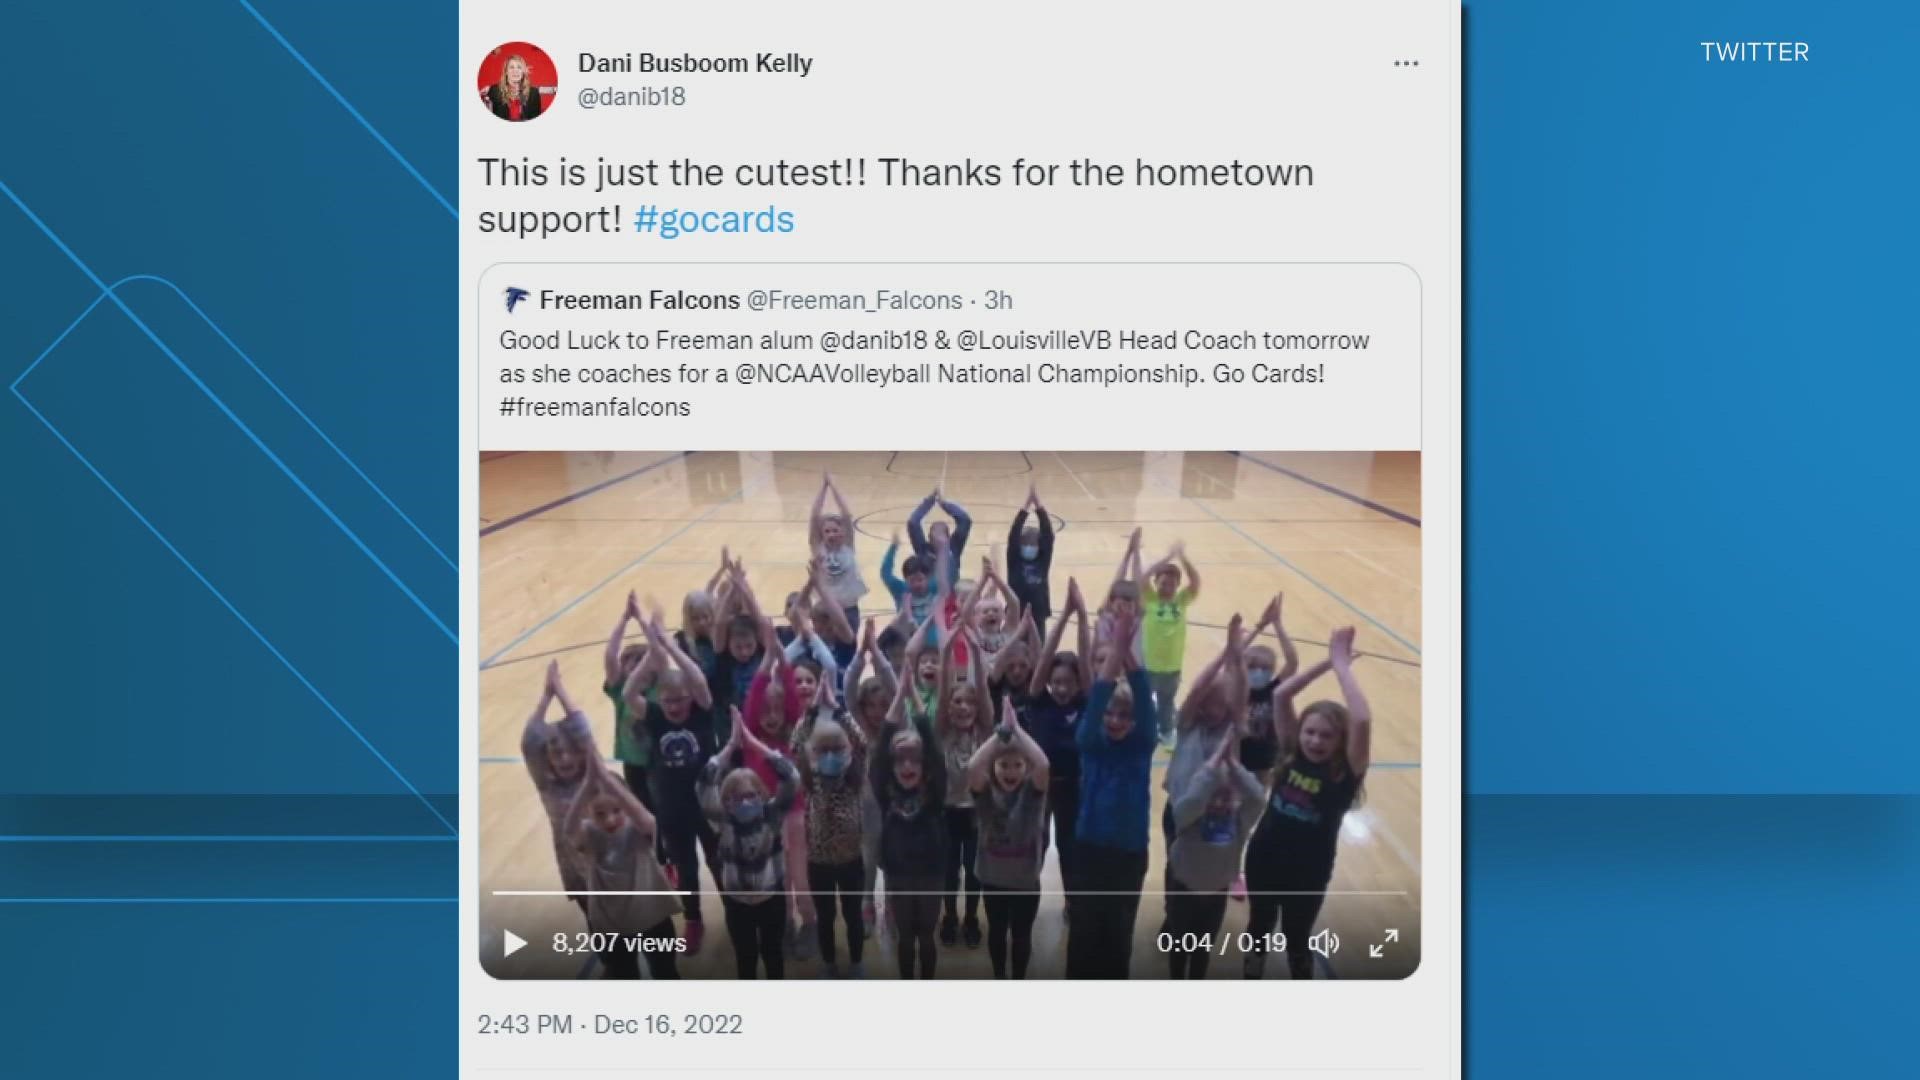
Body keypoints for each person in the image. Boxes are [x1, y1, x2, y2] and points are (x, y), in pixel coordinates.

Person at [1243, 627, 1371, 980]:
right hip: (1264, 856)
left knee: (1296, 938)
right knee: (1258, 928)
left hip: (1308, 871)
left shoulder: (1344, 774)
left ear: (1340, 742)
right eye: (1310, 731)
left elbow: (1361, 719)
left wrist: (1343, 667)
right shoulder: (1288, 753)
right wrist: (1327, 663)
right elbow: (1282, 694)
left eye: (1326, 735)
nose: (1315, 740)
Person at [1066, 609, 1157, 979]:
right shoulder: (1090, 742)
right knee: (1084, 933)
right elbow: (1099, 694)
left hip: (1128, 853)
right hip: (1089, 849)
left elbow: (1142, 696)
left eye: (1125, 716)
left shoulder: (1142, 746)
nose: (1116, 721)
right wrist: (1117, 649)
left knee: (1119, 936)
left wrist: (1126, 651)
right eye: (1111, 715)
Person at [626, 612, 719, 956]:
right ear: (659, 702)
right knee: (686, 869)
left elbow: (696, 679)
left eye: (680, 699)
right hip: (672, 808)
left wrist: (670, 648)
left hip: (709, 805)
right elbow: (629, 691)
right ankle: (693, 920)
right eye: (668, 701)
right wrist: (653, 652)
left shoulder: (702, 711)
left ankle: (734, 908)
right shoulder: (653, 716)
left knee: (719, 861)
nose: (676, 706)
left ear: (690, 699)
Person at [698, 707, 802, 979]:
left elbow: (791, 777)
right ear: (725, 802)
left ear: (762, 794)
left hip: (772, 901)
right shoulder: (723, 820)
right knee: (745, 959)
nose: (744, 802)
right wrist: (731, 746)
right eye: (735, 798)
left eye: (751, 795)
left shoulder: (771, 815)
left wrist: (757, 745)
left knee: (773, 954)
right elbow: (703, 785)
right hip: (738, 905)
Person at [563, 755, 682, 979]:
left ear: (627, 804)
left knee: (665, 972)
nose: (609, 820)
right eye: (600, 814)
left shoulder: (638, 828)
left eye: (617, 810)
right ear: (588, 813)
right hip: (612, 924)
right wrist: (588, 785)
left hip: (653, 915)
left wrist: (610, 784)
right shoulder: (588, 833)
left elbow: (648, 821)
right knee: (624, 975)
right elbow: (568, 829)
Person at [871, 673, 948, 978]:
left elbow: (932, 747)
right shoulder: (886, 792)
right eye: (900, 761)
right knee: (905, 936)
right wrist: (898, 698)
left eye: (914, 761)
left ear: (924, 766)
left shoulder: (934, 793)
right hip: (899, 874)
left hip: (931, 874)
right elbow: (878, 756)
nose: (907, 767)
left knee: (927, 935)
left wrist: (913, 698)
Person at [968, 697, 1050, 979]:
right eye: (1004, 765)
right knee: (997, 933)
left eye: (1017, 765)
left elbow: (1043, 764)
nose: (1011, 771)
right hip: (993, 882)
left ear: (1025, 769)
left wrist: (1018, 731)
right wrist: (1000, 734)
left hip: (1026, 883)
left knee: (1021, 936)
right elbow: (973, 767)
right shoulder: (986, 795)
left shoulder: (1032, 796)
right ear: (995, 768)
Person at [794, 679, 869, 978]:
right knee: (825, 917)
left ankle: (856, 962)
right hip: (819, 863)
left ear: (847, 751)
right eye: (822, 750)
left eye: (837, 749)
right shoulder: (810, 778)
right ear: (813, 754)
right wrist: (811, 713)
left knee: (853, 916)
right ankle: (828, 963)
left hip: (852, 861)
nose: (830, 756)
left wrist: (839, 711)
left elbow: (861, 742)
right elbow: (796, 743)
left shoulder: (853, 776)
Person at [1024, 579, 1092, 910]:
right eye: (1057, 681)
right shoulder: (1041, 702)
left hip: (1073, 790)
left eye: (1069, 682)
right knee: (1036, 843)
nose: (1062, 688)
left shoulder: (1086, 705)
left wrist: (1081, 618)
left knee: (1070, 847)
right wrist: (1063, 615)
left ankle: (1072, 902)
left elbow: (1089, 665)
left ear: (1079, 683)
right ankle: (1026, 894)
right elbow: (1044, 660)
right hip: (1040, 788)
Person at [520, 660, 597, 921]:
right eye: (556, 754)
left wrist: (561, 691)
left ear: (581, 753)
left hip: (608, 861)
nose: (564, 759)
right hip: (574, 864)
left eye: (570, 752)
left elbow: (582, 729)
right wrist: (545, 696)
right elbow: (530, 740)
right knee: (596, 924)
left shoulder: (593, 775)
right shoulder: (548, 785)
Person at [933, 618, 991, 948]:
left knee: (974, 871)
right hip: (947, 811)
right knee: (948, 870)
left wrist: (975, 649)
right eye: (958, 701)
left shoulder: (984, 731)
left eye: (969, 702)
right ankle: (950, 915)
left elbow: (981, 688)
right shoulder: (943, 731)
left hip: (975, 812)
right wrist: (946, 651)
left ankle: (971, 916)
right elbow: (943, 689)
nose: (964, 706)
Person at [1142, 543, 1203, 744]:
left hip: (1172, 666)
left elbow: (1195, 581)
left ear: (1177, 585)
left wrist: (1183, 558)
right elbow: (1142, 578)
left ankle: (1166, 731)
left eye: (1171, 583)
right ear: (1156, 582)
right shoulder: (1150, 599)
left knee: (1167, 703)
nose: (1167, 587)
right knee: (1142, 702)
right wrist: (1166, 558)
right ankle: (1143, 731)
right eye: (1163, 582)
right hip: (1149, 665)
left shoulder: (1181, 601)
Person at [809, 472, 869, 630]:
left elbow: (847, 515)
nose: (831, 534)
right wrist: (823, 488)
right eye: (827, 531)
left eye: (835, 530)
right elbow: (814, 517)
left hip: (849, 608)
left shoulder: (847, 546)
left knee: (849, 647)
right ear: (822, 534)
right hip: (825, 610)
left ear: (842, 532)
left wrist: (833, 487)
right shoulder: (818, 549)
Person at [1005, 483, 1056, 625]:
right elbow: (1014, 534)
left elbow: (1048, 535)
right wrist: (1026, 506)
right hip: (1016, 615)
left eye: (1033, 544)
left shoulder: (1042, 561)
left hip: (1038, 614)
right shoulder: (1014, 560)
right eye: (1025, 544)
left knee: (1039, 646)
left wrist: (1039, 506)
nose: (1029, 547)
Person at [907, 486, 972, 586]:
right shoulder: (923, 550)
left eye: (941, 534)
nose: (938, 538)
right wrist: (930, 500)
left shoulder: (954, 547)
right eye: (935, 534)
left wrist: (944, 504)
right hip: (930, 597)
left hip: (951, 596)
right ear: (929, 537)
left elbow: (965, 520)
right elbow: (913, 523)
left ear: (948, 537)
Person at [483, 53, 544, 121]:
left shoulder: (533, 93)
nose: (515, 70)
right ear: (506, 71)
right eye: (511, 67)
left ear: (523, 72)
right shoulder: (494, 90)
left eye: (519, 67)